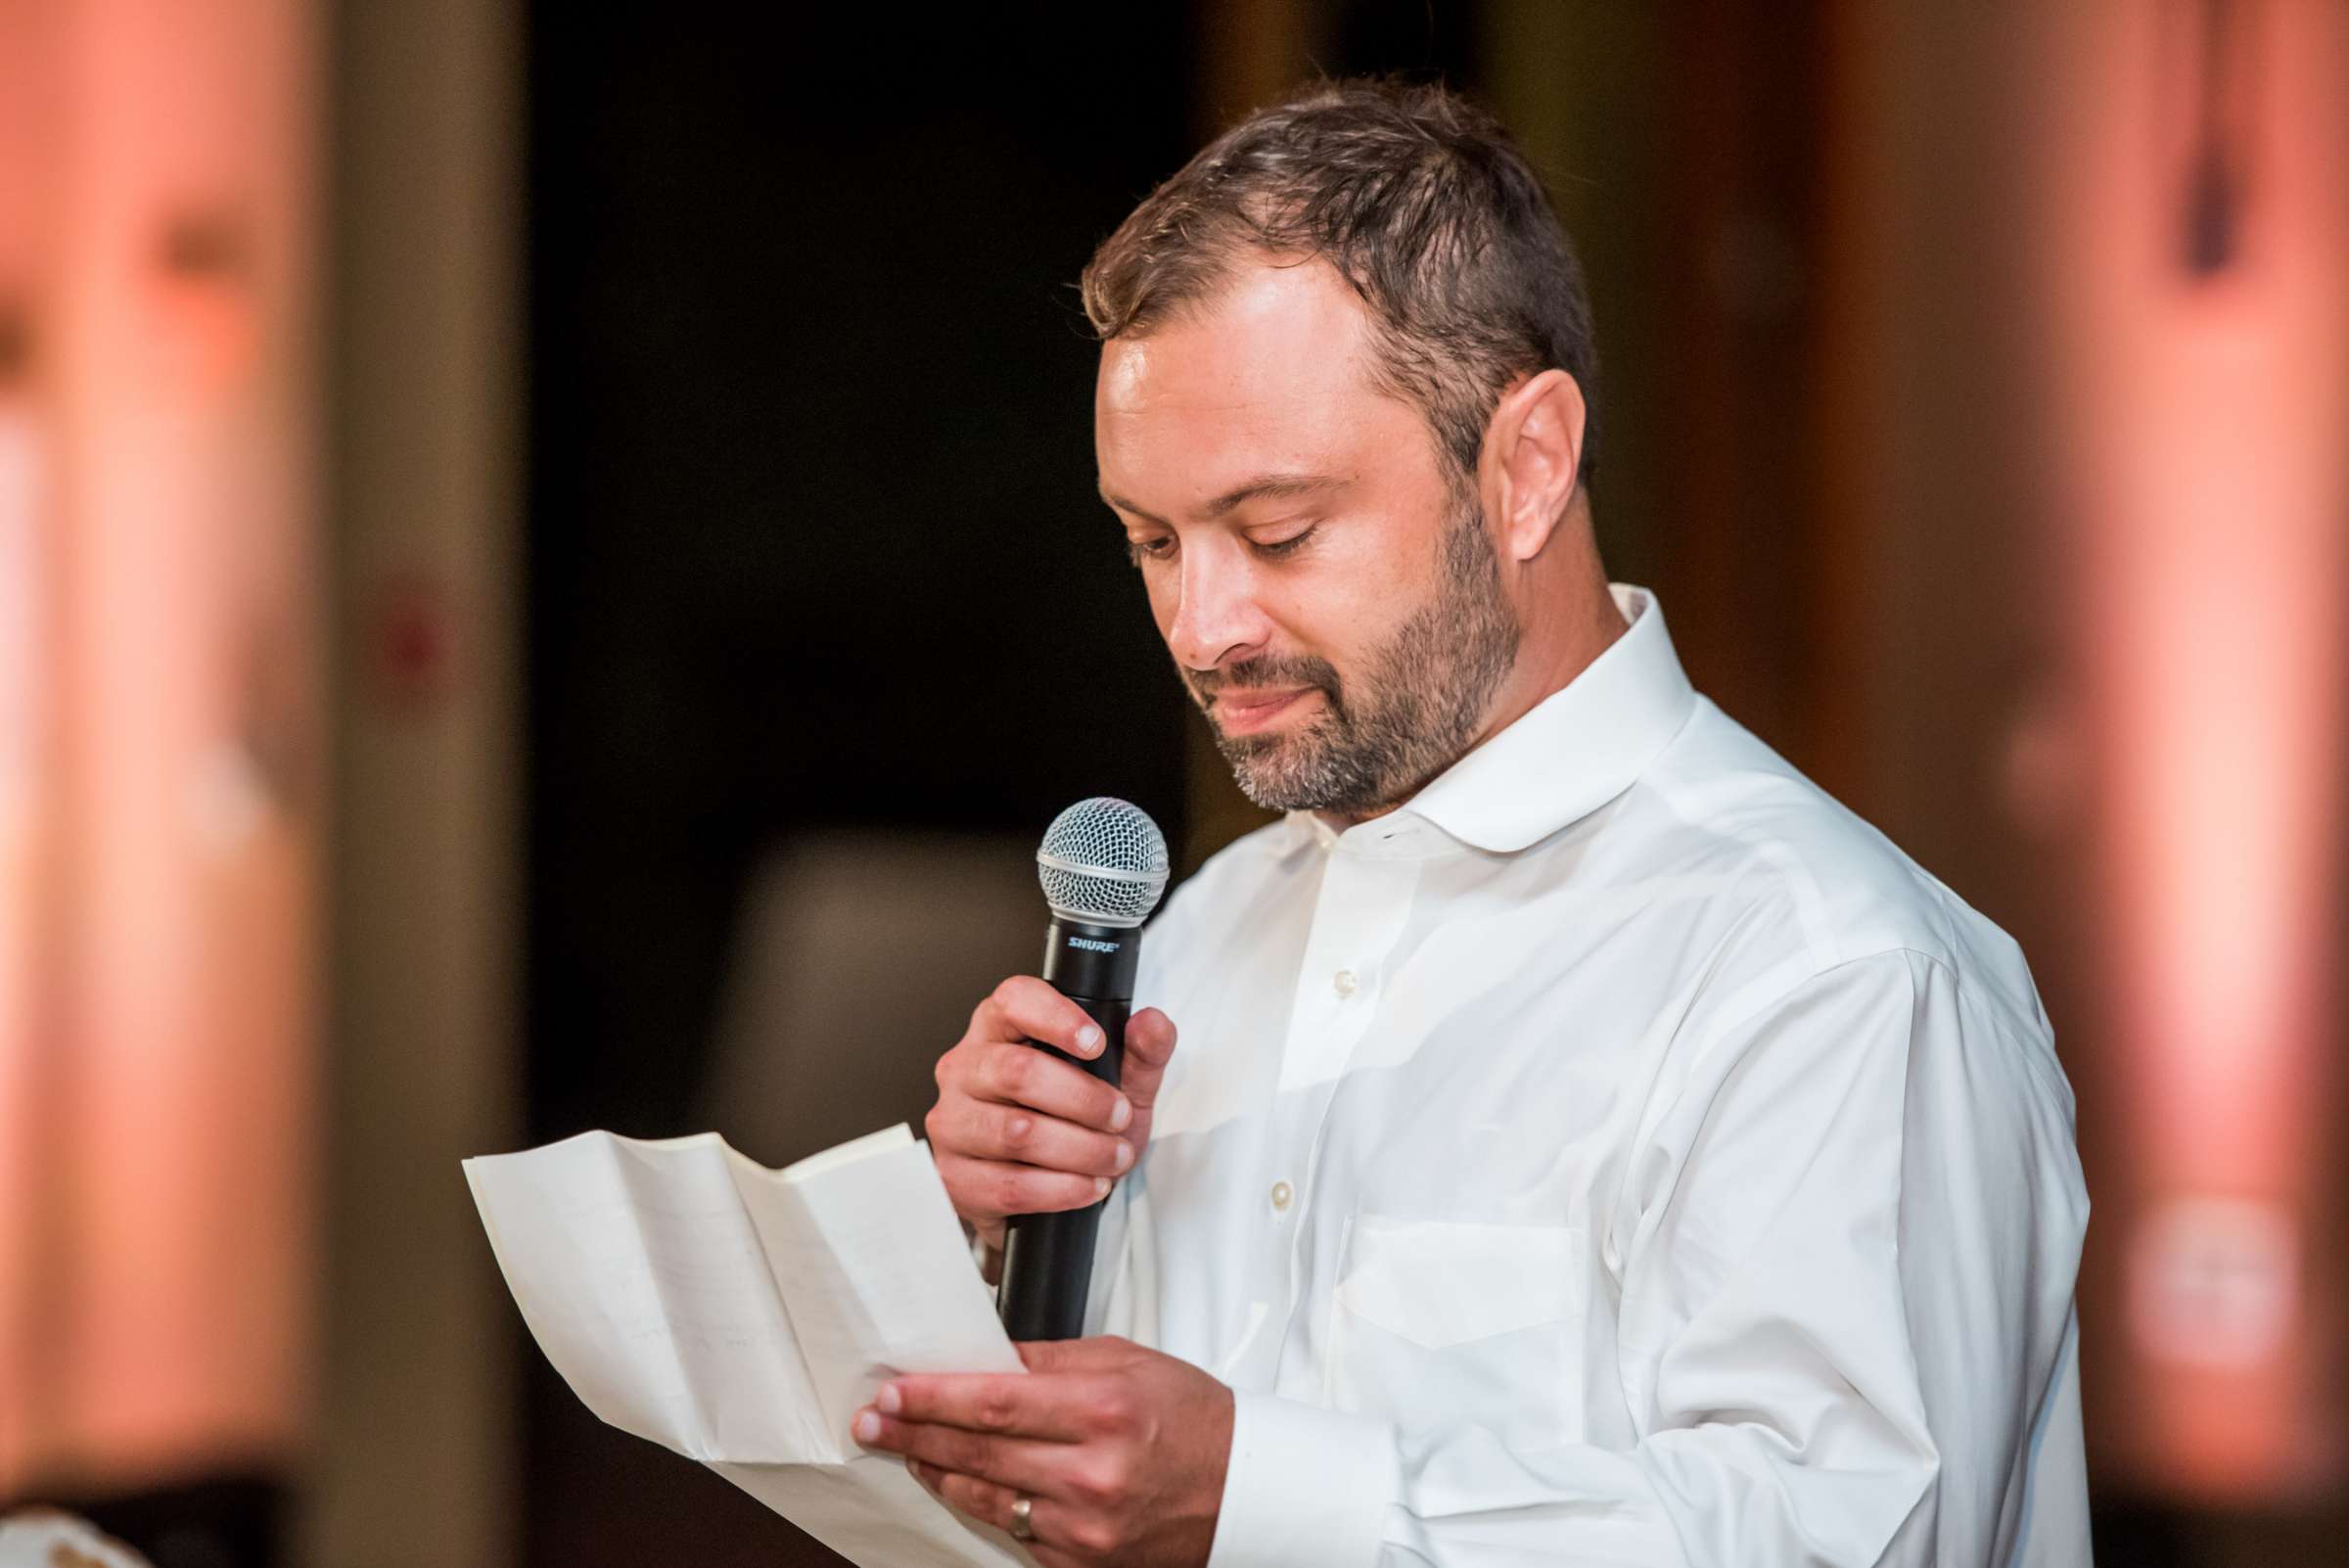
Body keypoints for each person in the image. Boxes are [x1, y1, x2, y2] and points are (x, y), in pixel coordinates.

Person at [852, 75, 2091, 1568]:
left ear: (1527, 466)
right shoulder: (1196, 935)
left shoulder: (1837, 977)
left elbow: (1843, 1543)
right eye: (1154, 541)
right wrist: (988, 1251)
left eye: (1278, 530)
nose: (1202, 623)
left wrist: (1256, 1493)